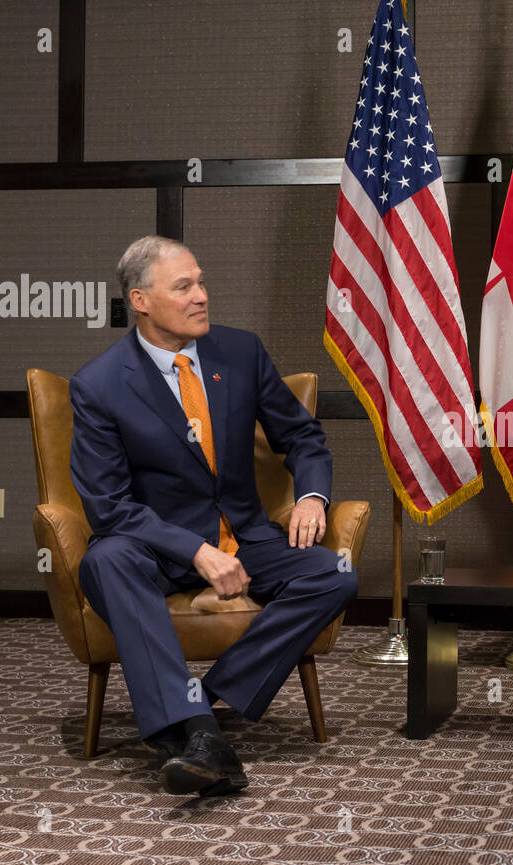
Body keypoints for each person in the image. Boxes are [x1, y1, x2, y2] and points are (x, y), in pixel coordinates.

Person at [69, 235, 358, 797]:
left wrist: (311, 497)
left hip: (247, 535)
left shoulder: (240, 352)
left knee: (336, 574)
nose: (202, 296)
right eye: (184, 287)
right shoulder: (100, 385)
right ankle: (202, 733)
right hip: (161, 550)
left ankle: (202, 702)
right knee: (104, 561)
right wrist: (195, 551)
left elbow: (301, 436)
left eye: (201, 281)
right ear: (142, 300)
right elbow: (107, 507)